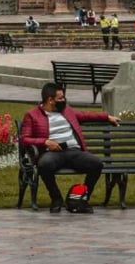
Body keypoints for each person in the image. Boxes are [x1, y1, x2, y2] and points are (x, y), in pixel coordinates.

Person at [19, 82, 119, 213]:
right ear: (50, 100)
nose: (64, 100)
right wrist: (46, 142)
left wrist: (107, 117)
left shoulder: (67, 111)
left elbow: (85, 115)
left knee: (96, 164)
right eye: (60, 98)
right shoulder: (32, 115)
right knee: (44, 165)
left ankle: (81, 199)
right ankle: (56, 198)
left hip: (73, 151)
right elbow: (24, 138)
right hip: (52, 153)